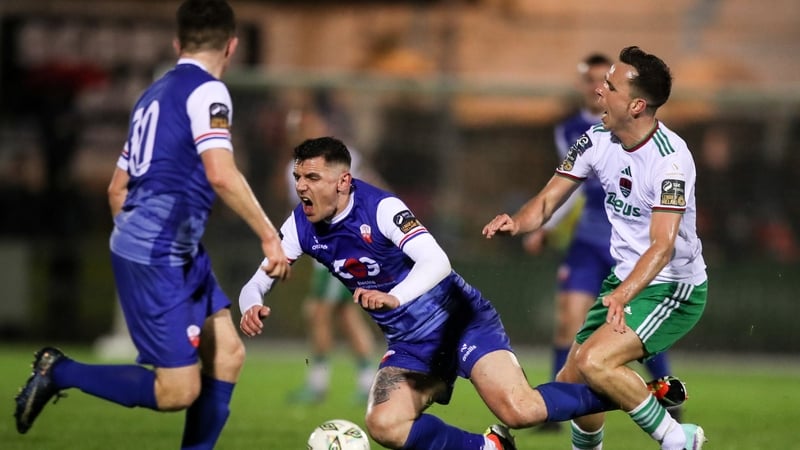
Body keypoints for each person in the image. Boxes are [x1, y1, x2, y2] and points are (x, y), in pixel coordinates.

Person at [238, 136, 688, 450]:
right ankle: (487, 447)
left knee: (520, 409)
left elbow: (438, 262)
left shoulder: (383, 209)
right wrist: (252, 300)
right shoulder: (300, 223)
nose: (301, 187)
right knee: (385, 425)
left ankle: (639, 394)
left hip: (461, 321)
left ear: (342, 181)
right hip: (412, 346)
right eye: (298, 177)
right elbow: (261, 275)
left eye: (312, 177)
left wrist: (395, 297)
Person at [13, 2, 290, 449]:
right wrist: (268, 235)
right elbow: (221, 173)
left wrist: (140, 240)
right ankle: (58, 371)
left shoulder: (153, 95)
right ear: (232, 46)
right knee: (178, 391)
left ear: (177, 44)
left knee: (228, 356)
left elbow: (115, 189)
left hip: (172, 250)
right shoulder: (209, 92)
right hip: (161, 254)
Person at [483, 46, 707, 450]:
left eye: (611, 85)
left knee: (594, 362)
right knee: (572, 382)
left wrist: (622, 294)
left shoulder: (671, 160)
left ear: (637, 105)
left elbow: (663, 245)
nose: (600, 91)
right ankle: (624, 416)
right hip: (622, 279)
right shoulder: (596, 138)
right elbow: (549, 200)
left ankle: (678, 439)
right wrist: (517, 222)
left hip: (672, 287)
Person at [522, 53, 681, 432]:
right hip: (589, 241)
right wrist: (540, 225)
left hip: (630, 244)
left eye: (608, 83)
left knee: (631, 331)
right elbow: (569, 189)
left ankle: (668, 400)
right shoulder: (573, 132)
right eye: (594, 80)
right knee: (570, 324)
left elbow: (662, 202)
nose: (598, 89)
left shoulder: (654, 142)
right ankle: (560, 408)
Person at [282, 95, 379, 404]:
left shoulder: (339, 160)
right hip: (326, 252)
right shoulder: (294, 170)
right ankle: (370, 383)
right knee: (345, 314)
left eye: (304, 124)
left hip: (346, 247)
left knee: (317, 311)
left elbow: (372, 190)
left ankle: (318, 382)